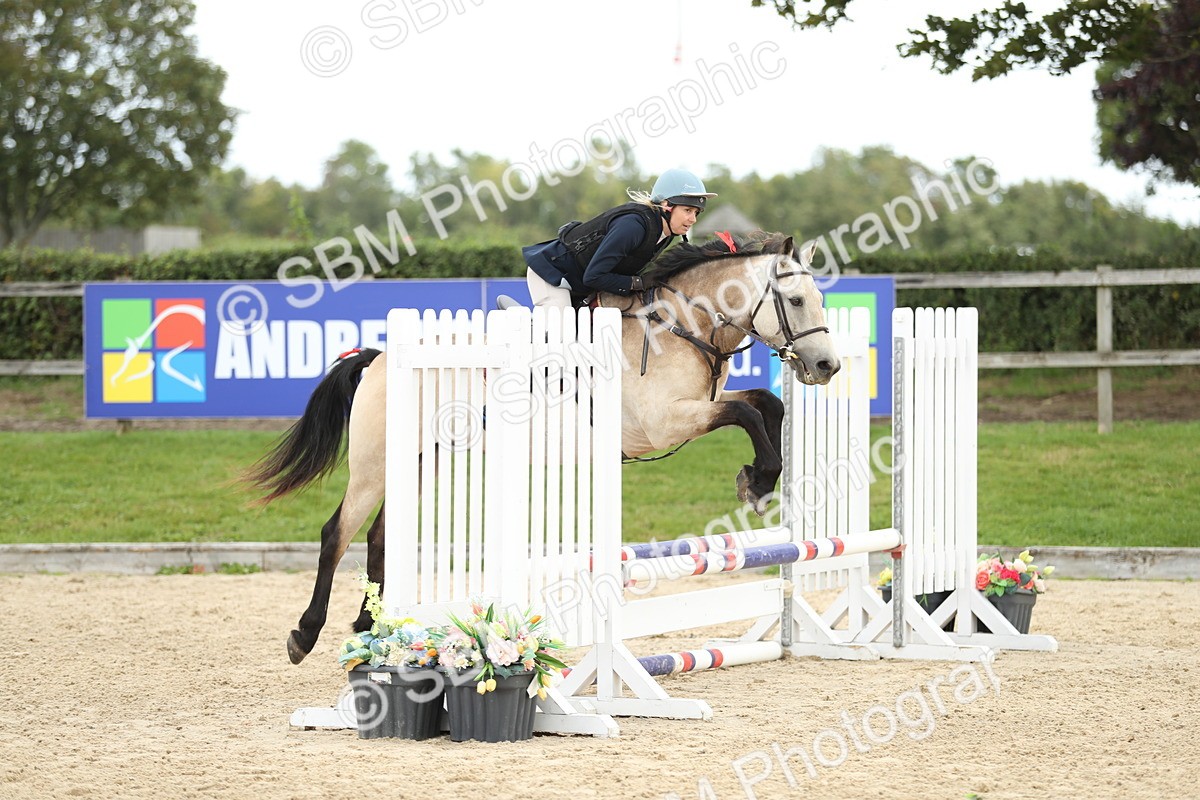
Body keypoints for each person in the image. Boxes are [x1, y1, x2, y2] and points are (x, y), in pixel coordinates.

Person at [522, 169, 717, 308]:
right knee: (562, 335)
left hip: (579, 282)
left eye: (696, 212)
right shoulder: (633, 226)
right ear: (666, 205)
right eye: (688, 210)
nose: (692, 219)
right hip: (552, 274)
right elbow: (595, 276)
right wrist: (639, 283)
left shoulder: (664, 232)